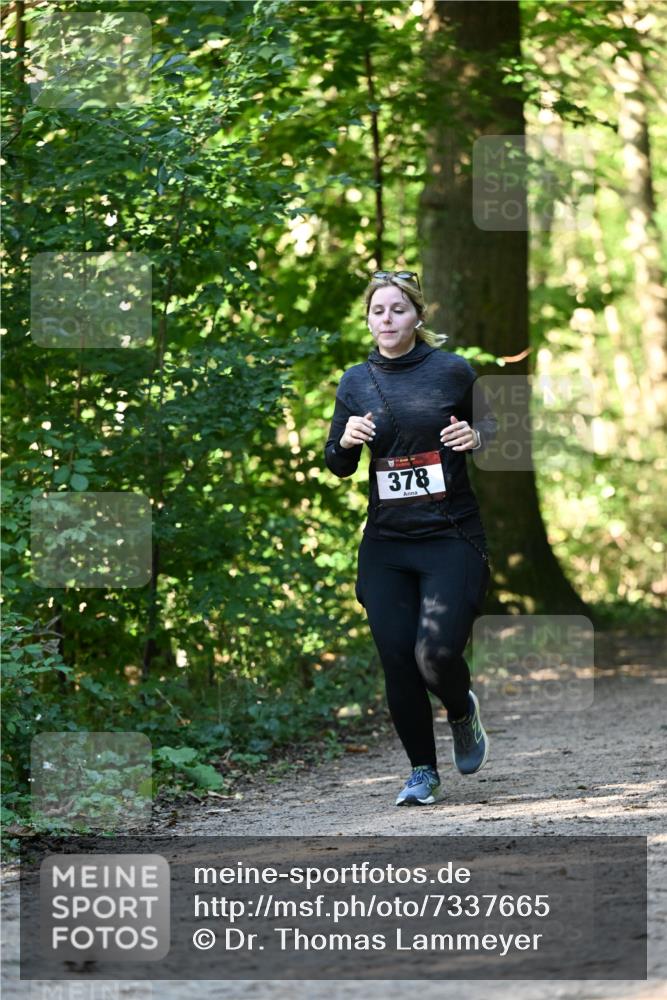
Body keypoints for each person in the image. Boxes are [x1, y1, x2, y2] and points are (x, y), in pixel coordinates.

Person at [324, 270, 497, 806]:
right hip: (388, 543)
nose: (387, 319)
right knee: (397, 657)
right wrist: (347, 441)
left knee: (436, 653)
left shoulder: (452, 371)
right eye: (378, 311)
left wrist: (474, 436)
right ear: (368, 319)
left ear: (417, 316)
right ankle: (423, 771)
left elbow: (492, 431)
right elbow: (337, 464)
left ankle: (461, 708)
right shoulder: (354, 382)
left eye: (398, 309)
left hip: (450, 536)